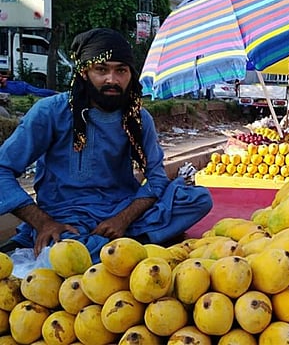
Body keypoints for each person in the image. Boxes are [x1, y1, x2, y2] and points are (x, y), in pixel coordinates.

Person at [0, 28, 213, 262]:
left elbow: (157, 177)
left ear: (130, 75)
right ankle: (123, 248)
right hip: (67, 219)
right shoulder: (50, 112)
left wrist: (122, 219)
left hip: (122, 210)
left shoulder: (139, 119)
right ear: (84, 72)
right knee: (62, 254)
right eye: (101, 69)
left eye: (120, 70)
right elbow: (3, 170)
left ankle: (111, 247)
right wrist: (43, 222)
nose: (112, 79)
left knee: (197, 199)